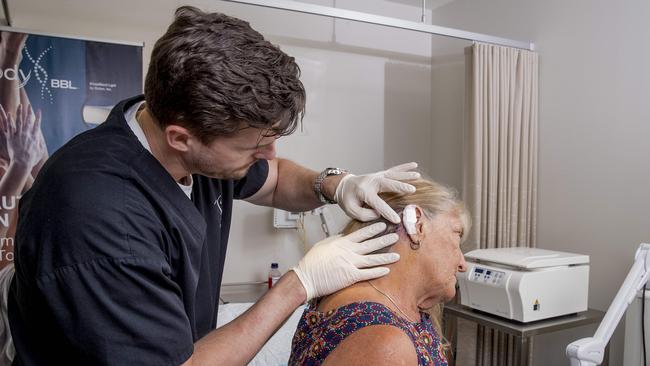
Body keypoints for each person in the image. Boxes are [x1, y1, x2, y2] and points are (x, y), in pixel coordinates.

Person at [7, 6, 421, 366]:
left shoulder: (185, 135)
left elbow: (274, 181)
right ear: (181, 137)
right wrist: (302, 282)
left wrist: (333, 184)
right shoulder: (99, 221)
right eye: (257, 144)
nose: (272, 155)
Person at [289, 178, 469, 366]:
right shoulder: (384, 341)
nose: (463, 264)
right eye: (457, 234)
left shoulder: (396, 312)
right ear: (417, 225)